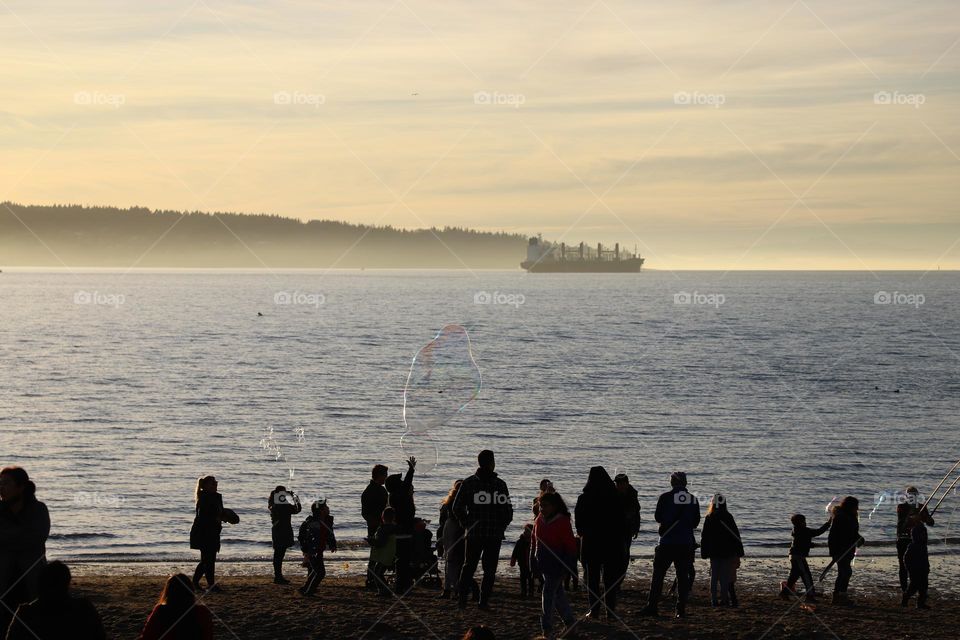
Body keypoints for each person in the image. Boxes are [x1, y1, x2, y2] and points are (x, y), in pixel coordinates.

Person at [454, 450, 513, 610]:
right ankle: (483, 602)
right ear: (492, 463)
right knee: (489, 570)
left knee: (468, 567)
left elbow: (456, 507)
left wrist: (466, 523)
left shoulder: (468, 483)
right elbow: (507, 510)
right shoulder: (499, 484)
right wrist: (502, 525)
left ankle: (462, 601)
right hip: (493, 533)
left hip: (474, 532)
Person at [639, 472, 701, 619]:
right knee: (682, 577)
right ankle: (680, 610)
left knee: (658, 576)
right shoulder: (693, 499)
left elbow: (657, 517)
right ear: (685, 483)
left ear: (672, 483)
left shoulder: (665, 497)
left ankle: (652, 606)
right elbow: (696, 522)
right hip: (685, 543)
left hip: (667, 542)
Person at [575, 466, 629, 618]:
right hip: (612, 544)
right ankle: (610, 611)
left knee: (592, 579)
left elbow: (579, 526)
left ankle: (594, 610)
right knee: (610, 579)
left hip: (591, 544)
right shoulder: (615, 498)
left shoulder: (584, 498)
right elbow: (622, 523)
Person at [0, 466, 50, 630]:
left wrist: (7, 538)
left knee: (32, 626)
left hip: (31, 579)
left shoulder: (38, 509)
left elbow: (36, 538)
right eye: (0, 483)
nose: (1, 488)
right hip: (4, 580)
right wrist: (19, 535)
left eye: (6, 483)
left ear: (21, 487)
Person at [6, 561, 106, 640]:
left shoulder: (26, 613)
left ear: (40, 584)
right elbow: (100, 636)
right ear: (67, 583)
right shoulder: (84, 608)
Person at [532, 492, 577, 637]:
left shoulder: (562, 521)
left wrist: (568, 566)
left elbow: (570, 546)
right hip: (543, 563)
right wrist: (532, 561)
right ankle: (570, 624)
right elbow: (534, 541)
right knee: (558, 595)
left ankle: (547, 628)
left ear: (554, 506)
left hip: (558, 565)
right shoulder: (539, 519)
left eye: (545, 506)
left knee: (548, 593)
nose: (542, 509)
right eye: (540, 506)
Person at [699, 493, 744, 607]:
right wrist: (739, 549)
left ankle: (714, 600)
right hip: (727, 550)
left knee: (714, 576)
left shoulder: (709, 517)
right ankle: (724, 600)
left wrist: (704, 551)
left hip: (714, 550)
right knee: (725, 576)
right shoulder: (728, 516)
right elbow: (735, 534)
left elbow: (705, 536)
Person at [138, 573, 213, 640]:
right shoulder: (202, 611)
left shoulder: (160, 611)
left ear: (168, 592)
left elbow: (147, 636)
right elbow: (208, 636)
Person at [779, 512, 831, 601]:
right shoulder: (804, 530)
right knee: (806, 575)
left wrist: (811, 545)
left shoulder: (797, 530)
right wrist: (828, 523)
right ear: (801, 522)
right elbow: (818, 532)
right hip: (798, 556)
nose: (805, 522)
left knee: (794, 575)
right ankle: (810, 595)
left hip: (794, 555)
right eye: (804, 521)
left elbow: (802, 542)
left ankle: (784, 593)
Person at [385, 457, 416, 593]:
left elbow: (406, 485)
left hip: (403, 530)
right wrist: (411, 470)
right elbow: (406, 484)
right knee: (403, 560)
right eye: (400, 481)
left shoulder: (396, 496)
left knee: (403, 559)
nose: (403, 482)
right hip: (402, 532)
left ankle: (404, 585)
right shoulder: (398, 496)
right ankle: (401, 585)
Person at [827, 496, 864, 606]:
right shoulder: (842, 517)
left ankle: (839, 595)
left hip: (846, 549)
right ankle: (839, 595)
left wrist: (858, 538)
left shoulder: (847, 516)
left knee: (844, 572)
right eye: (856, 506)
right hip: (841, 549)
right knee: (845, 572)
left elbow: (851, 533)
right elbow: (834, 536)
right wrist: (834, 551)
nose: (857, 509)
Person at [190, 475, 224, 592]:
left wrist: (224, 517)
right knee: (207, 559)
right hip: (204, 532)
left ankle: (206, 583)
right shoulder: (204, 498)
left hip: (213, 531)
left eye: (215, 482)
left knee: (209, 559)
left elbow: (219, 512)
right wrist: (218, 517)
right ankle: (203, 583)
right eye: (212, 483)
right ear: (205, 486)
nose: (215, 484)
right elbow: (204, 516)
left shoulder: (216, 497)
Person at [896, 486, 934, 593]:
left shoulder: (922, 507)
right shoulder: (902, 507)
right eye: (910, 495)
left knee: (920, 566)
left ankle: (919, 591)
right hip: (903, 539)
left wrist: (928, 519)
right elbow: (902, 523)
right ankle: (904, 590)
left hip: (918, 541)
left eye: (915, 495)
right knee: (903, 565)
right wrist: (913, 517)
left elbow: (930, 523)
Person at [298, 498, 337, 597]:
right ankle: (309, 591)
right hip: (312, 551)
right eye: (326, 507)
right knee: (320, 573)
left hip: (319, 550)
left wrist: (332, 544)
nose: (328, 508)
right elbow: (302, 536)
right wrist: (305, 549)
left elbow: (329, 534)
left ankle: (306, 588)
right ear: (321, 511)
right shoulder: (312, 523)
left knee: (316, 571)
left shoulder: (327, 520)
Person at [361, 464, 389, 589]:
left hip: (377, 525)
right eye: (385, 475)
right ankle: (371, 579)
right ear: (379, 476)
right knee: (376, 555)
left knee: (376, 554)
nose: (386, 478)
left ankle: (372, 579)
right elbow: (366, 513)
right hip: (376, 526)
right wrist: (378, 523)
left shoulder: (375, 490)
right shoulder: (372, 491)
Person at [437, 479, 465, 599]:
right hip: (456, 529)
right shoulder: (461, 503)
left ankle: (449, 588)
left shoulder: (449, 503)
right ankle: (455, 588)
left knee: (450, 559)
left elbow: (441, 522)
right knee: (456, 560)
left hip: (449, 529)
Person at [268, 485, 302, 584]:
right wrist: (295, 499)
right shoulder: (282, 504)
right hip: (283, 530)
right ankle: (278, 576)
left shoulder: (273, 503)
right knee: (279, 554)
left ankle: (277, 576)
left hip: (278, 530)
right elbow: (297, 509)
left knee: (278, 553)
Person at [368, 507, 398, 596]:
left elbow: (380, 543)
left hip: (383, 555)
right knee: (378, 572)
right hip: (390, 554)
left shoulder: (383, 529)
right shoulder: (395, 528)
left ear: (382, 517)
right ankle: (384, 590)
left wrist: (371, 541)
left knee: (377, 573)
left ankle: (384, 590)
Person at [901, 522, 930, 609]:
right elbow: (906, 558)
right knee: (913, 586)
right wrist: (909, 568)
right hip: (914, 570)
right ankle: (906, 597)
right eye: (922, 534)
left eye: (925, 534)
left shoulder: (924, 546)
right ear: (915, 535)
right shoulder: (912, 546)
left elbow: (925, 558)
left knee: (924, 587)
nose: (924, 536)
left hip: (923, 569)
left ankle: (920, 603)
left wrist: (927, 567)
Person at [614, 473, 641, 559]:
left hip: (628, 528)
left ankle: (623, 570)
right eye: (618, 483)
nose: (619, 485)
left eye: (621, 483)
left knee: (625, 552)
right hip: (615, 528)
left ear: (627, 483)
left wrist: (636, 528)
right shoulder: (612, 494)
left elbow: (637, 513)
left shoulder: (632, 495)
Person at [509, 524, 534, 598]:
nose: (525, 532)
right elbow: (515, 551)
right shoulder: (520, 541)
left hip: (531, 563)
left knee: (530, 578)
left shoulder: (534, 541)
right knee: (523, 578)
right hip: (522, 562)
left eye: (528, 531)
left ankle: (530, 592)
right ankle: (523, 592)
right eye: (525, 530)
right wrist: (513, 560)